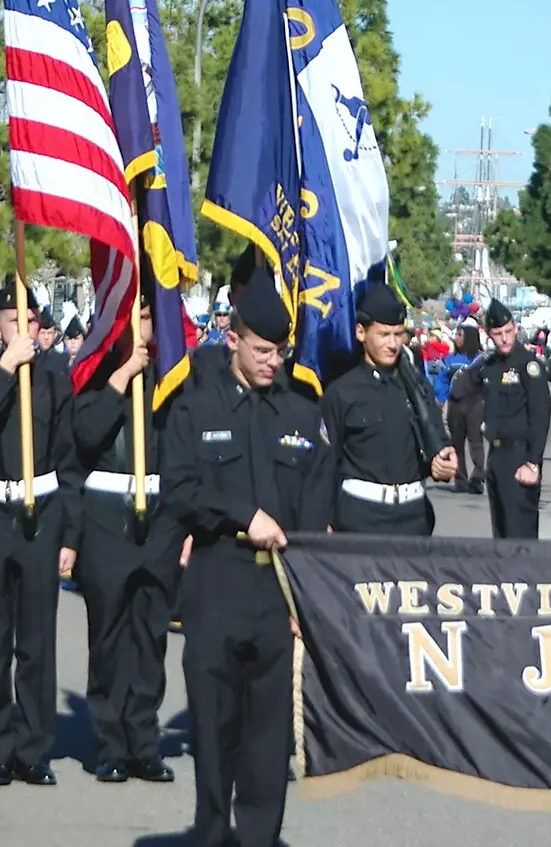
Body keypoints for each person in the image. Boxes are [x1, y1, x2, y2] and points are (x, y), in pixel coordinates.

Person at [163, 276, 334, 847]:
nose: (271, 361)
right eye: (261, 349)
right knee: (214, 732)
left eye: (279, 351)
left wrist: (303, 601)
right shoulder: (196, 408)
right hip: (217, 583)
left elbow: (313, 513)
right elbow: (180, 490)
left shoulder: (301, 415)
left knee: (267, 741)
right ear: (232, 340)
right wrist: (243, 515)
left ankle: (260, 838)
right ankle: (211, 835)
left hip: (276, 597)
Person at [0, 277, 75, 787]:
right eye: (14, 321)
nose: (25, 329)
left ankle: (33, 748)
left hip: (43, 512)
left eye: (32, 321)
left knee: (37, 640)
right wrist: (7, 369)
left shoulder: (56, 377)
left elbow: (70, 461)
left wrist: (70, 535)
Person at [69, 297, 183, 785]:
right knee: (110, 634)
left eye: (147, 317)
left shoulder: (172, 377)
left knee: (151, 635)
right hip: (106, 518)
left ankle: (144, 740)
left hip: (158, 517)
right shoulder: (95, 373)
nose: (142, 326)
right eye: (134, 316)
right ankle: (111, 743)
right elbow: (86, 434)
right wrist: (122, 377)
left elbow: (183, 452)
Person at [322, 282, 458, 535]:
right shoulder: (341, 391)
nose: (393, 344)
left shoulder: (417, 387)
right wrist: (326, 519)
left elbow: (437, 442)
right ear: (361, 333)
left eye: (398, 334)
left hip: (413, 518)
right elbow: (327, 464)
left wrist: (444, 463)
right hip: (360, 519)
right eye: (384, 334)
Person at [467, 299, 551, 539]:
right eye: (497, 334)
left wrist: (533, 463)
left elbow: (540, 415)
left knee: (519, 535)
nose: (504, 338)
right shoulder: (490, 366)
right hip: (496, 456)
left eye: (507, 332)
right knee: (501, 535)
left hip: (520, 457)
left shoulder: (528, 365)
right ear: (488, 335)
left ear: (515, 328)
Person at [444, 323, 486, 495]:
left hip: (475, 403)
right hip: (455, 404)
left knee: (476, 441)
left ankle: (477, 477)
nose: (457, 338)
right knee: (457, 443)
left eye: (461, 335)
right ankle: (460, 479)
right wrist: (440, 397)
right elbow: (442, 380)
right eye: (456, 335)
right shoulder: (449, 359)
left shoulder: (481, 359)